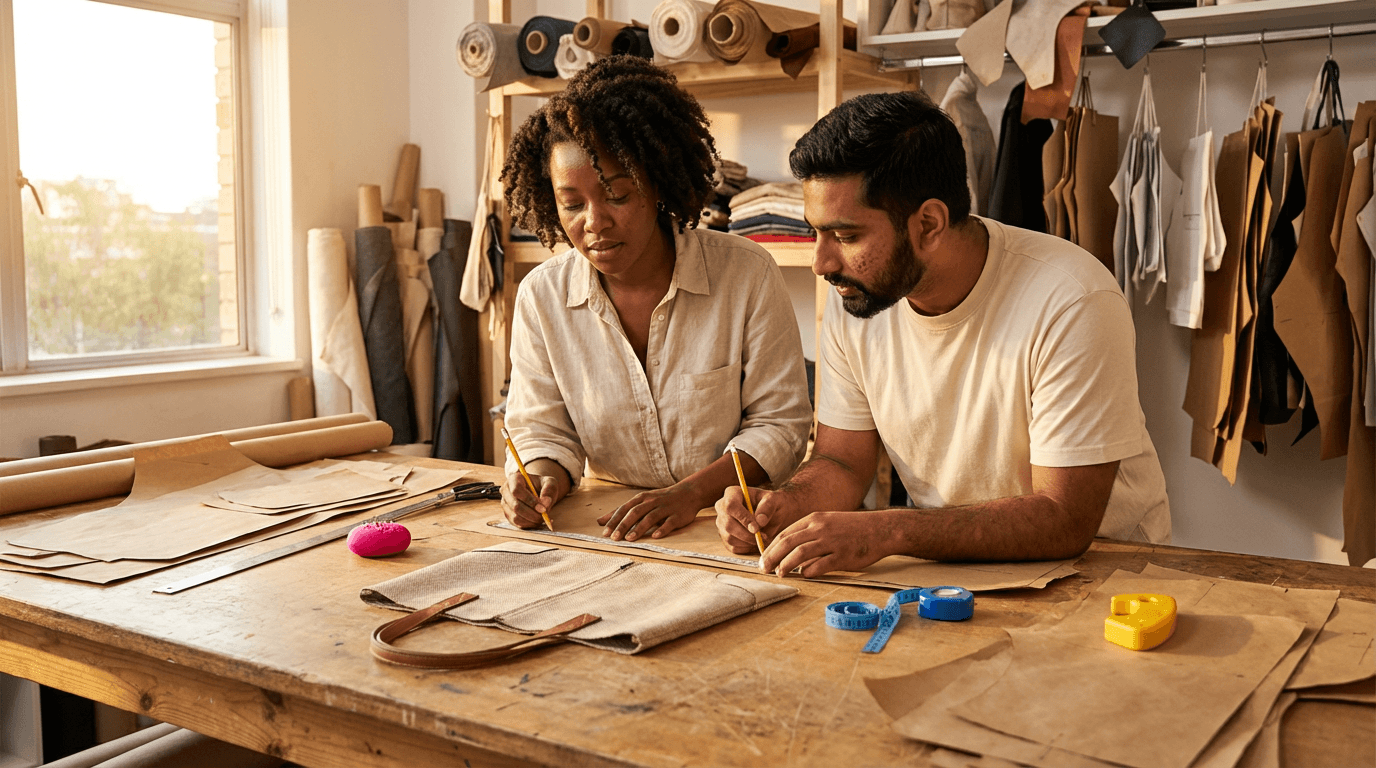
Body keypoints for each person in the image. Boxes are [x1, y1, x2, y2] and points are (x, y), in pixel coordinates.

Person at [715, 91, 1170, 577]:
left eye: (846, 237)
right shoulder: (860, 298)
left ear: (929, 223)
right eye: (816, 233)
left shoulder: (1071, 298)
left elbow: (1065, 519)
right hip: (955, 564)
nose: (821, 263)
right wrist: (784, 505)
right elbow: (843, 463)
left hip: (1109, 571)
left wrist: (888, 530)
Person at [498, 56, 811, 542]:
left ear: (657, 183)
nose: (594, 221)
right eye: (572, 204)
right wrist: (540, 478)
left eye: (617, 196)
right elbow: (544, 430)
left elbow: (781, 426)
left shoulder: (745, 275)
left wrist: (689, 494)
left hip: (732, 524)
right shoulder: (542, 296)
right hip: (609, 524)